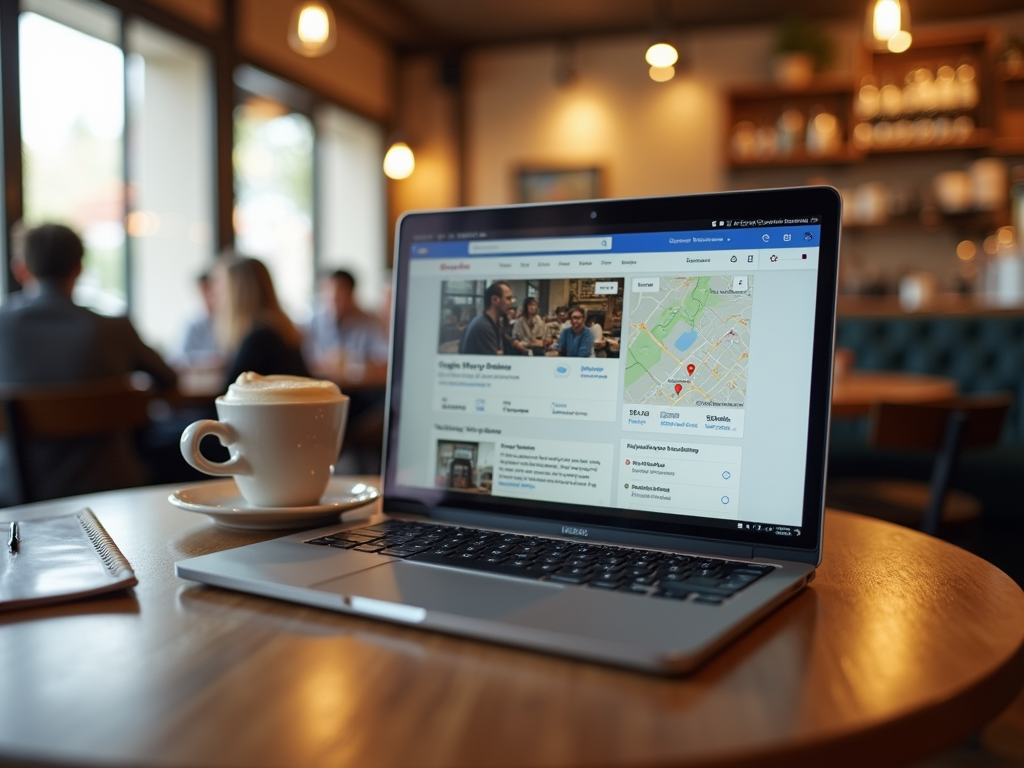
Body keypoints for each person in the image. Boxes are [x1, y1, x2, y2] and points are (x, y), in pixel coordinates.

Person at [0, 223, 178, 505]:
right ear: (78, 268)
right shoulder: (114, 329)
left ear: (21, 269)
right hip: (110, 490)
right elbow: (168, 379)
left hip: (16, 491)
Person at [213, 256, 309, 389]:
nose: (215, 294)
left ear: (237, 294)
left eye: (221, 287)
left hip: (273, 409)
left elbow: (230, 392)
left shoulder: (260, 337)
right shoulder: (278, 327)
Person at [305, 269, 388, 386]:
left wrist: (352, 364)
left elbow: (383, 360)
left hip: (361, 389)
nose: (333, 298)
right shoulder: (314, 321)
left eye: (339, 293)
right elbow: (307, 360)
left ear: (351, 294)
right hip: (323, 387)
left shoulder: (370, 322)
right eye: (328, 292)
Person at [458, 281, 526, 355]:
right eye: (508, 298)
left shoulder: (492, 323)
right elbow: (496, 362)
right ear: (494, 300)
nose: (511, 302)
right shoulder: (483, 326)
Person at [174, 271, 222, 369]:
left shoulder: (228, 323)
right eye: (202, 290)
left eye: (208, 289)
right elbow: (180, 357)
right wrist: (212, 359)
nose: (206, 295)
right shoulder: (191, 324)